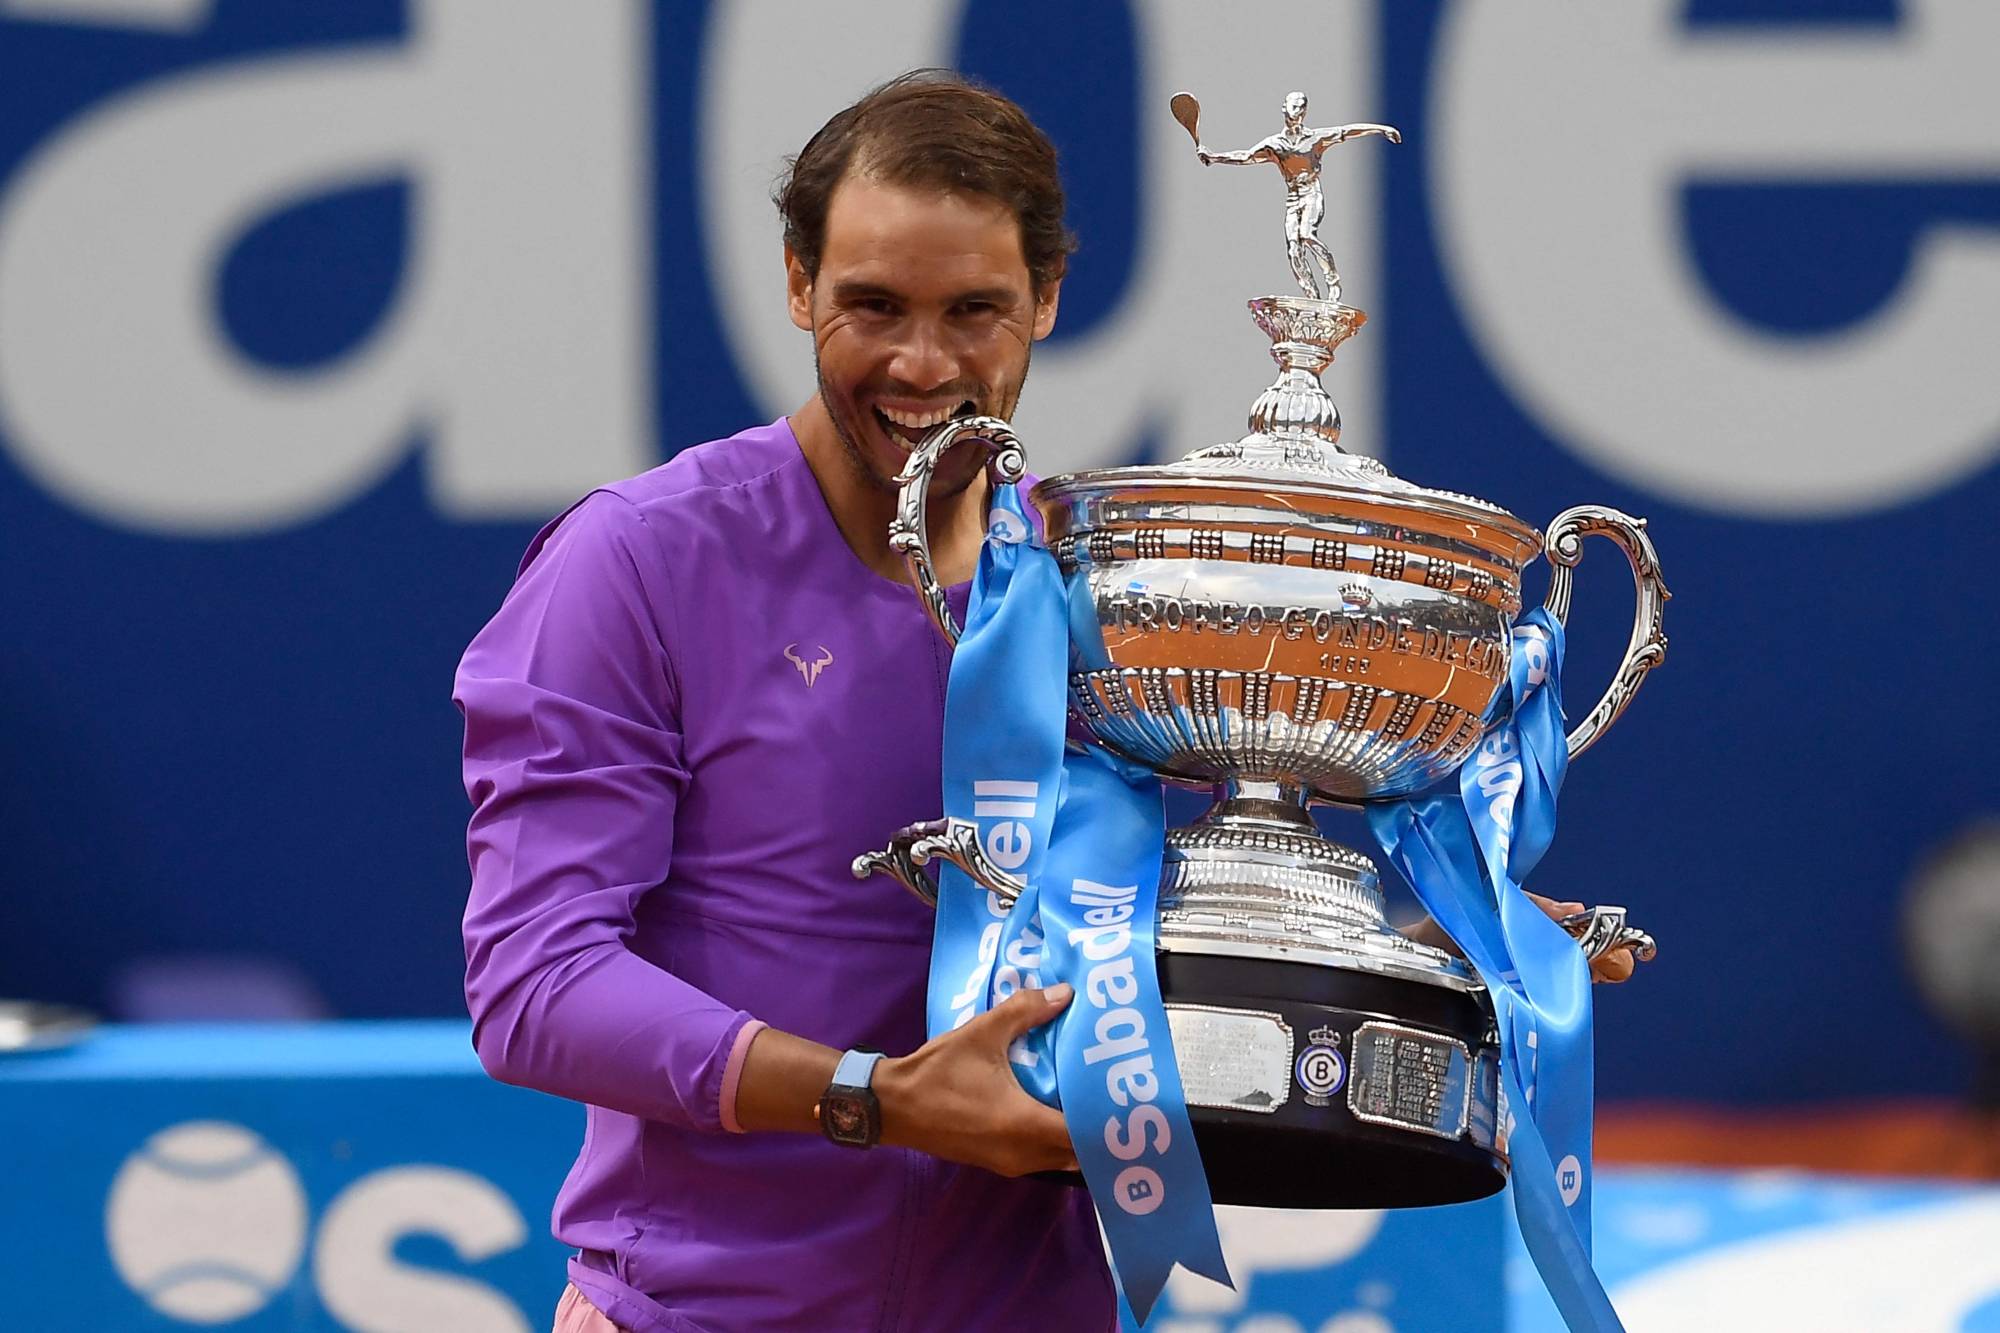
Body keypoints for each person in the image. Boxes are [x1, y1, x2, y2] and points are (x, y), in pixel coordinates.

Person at [457, 69, 1636, 1333]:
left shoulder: (1103, 595)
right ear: (797, 283)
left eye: (974, 310)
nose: (921, 361)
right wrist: (870, 1094)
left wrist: (1381, 955)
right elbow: (535, 982)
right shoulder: (632, 562)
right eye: (869, 306)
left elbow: (1120, 952)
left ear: (1047, 303)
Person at [1195, 90, 1400, 304]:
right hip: (1293, 198)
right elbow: (1246, 156)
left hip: (1312, 192)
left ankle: (1333, 282)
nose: (1299, 111)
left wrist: (1381, 129)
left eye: (1302, 107)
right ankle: (1312, 296)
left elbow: (1346, 131)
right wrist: (1214, 157)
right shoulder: (1274, 144)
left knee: (1307, 234)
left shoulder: (1315, 139)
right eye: (1295, 106)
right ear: (1284, 108)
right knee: (1294, 248)